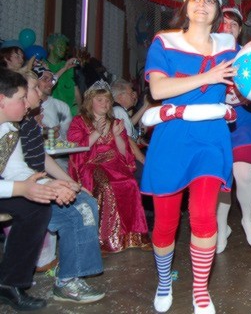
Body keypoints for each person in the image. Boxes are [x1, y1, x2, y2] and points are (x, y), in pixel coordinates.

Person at [142, 0, 237, 313]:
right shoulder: (164, 42)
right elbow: (158, 90)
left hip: (211, 137)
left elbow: (240, 87)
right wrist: (208, 77)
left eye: (209, 1)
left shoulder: (228, 46)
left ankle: (200, 290)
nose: (201, 5)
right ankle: (164, 280)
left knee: (203, 215)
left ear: (217, 11)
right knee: (165, 223)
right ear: (185, 5)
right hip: (172, 137)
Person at [18, 69, 105, 303]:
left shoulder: (29, 122)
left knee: (86, 201)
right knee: (78, 211)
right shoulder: (12, 124)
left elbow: (42, 158)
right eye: (35, 88)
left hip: (36, 182)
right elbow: (17, 170)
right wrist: (53, 185)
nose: (41, 92)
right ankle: (67, 280)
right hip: (23, 188)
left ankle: (70, 274)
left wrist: (70, 183)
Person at [0, 68, 76, 311]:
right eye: (21, 98)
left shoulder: (9, 128)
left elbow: (15, 169)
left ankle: (10, 283)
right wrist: (21, 188)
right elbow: (17, 183)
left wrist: (47, 186)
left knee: (36, 207)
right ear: (1, 100)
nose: (28, 104)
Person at [67, 80, 150, 253]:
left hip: (114, 162)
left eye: (107, 100)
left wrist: (118, 136)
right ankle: (105, 239)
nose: (104, 104)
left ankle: (133, 237)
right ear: (90, 102)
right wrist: (96, 132)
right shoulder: (79, 121)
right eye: (100, 100)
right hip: (91, 164)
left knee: (130, 184)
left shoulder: (115, 122)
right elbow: (77, 147)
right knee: (106, 186)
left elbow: (123, 151)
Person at [216, 6, 251, 253]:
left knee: (244, 174)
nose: (228, 28)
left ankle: (247, 218)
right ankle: (221, 228)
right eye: (224, 23)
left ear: (239, 31)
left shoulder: (248, 56)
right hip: (215, 122)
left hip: (245, 121)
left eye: (234, 24)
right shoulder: (205, 55)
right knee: (219, 180)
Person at [111, 78, 149, 170]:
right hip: (128, 159)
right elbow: (129, 140)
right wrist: (143, 160)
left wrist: (145, 107)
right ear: (120, 97)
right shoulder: (118, 110)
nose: (133, 96)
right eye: (130, 94)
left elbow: (129, 126)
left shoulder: (119, 109)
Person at [33, 62, 72, 141]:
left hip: (56, 148)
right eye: (45, 79)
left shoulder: (61, 107)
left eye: (51, 80)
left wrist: (56, 135)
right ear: (34, 82)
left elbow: (69, 135)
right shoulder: (26, 107)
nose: (50, 83)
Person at [45, 34, 82, 115]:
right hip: (50, 112)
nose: (63, 49)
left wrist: (80, 108)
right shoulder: (43, 65)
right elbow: (49, 83)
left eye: (65, 46)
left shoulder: (69, 65)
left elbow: (76, 90)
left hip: (70, 110)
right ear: (51, 46)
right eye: (60, 46)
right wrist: (64, 68)